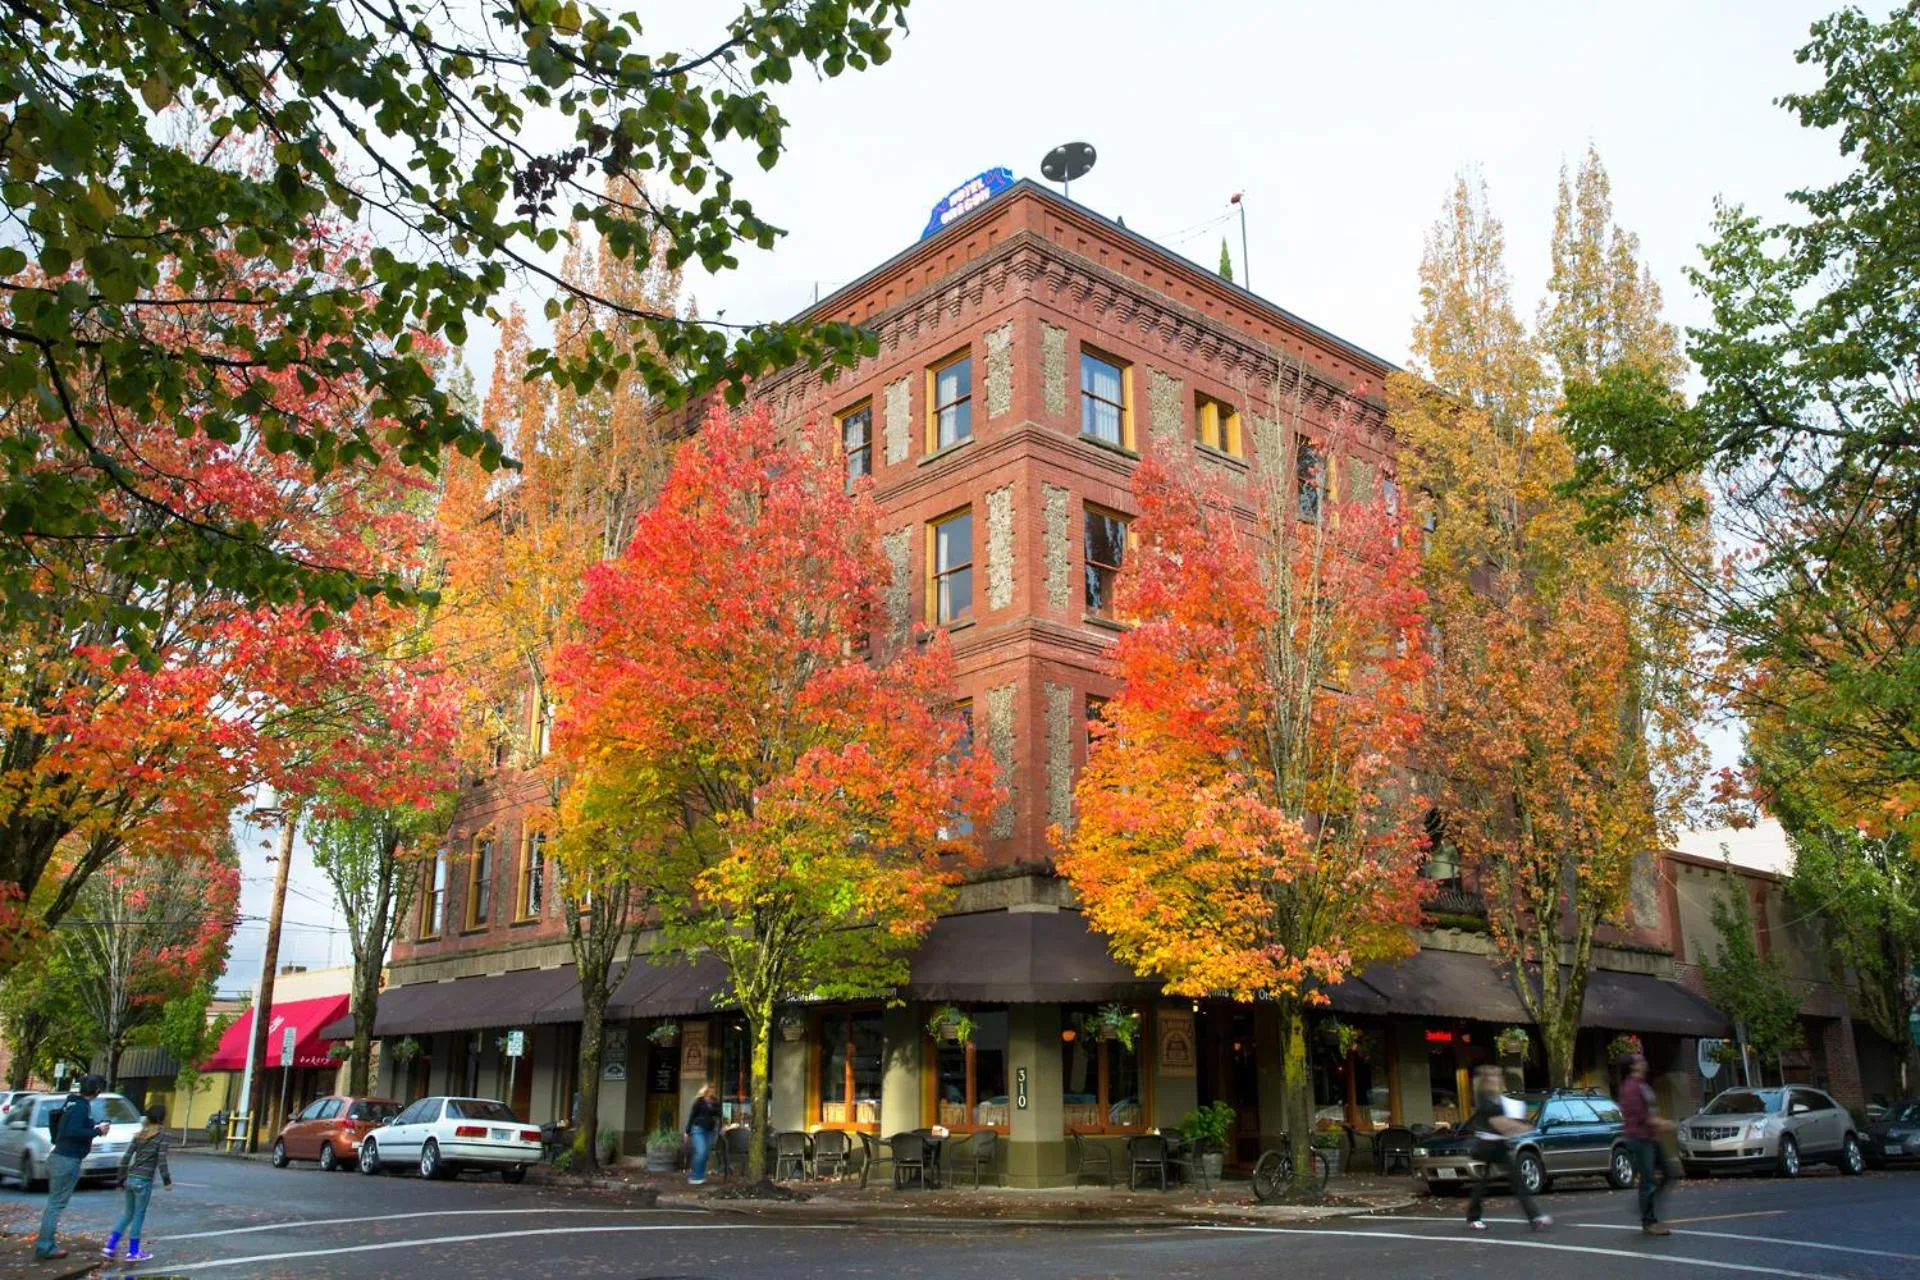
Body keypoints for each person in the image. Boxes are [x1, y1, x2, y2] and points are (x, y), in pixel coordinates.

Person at [1464, 1063, 1550, 1233]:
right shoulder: (1485, 1098)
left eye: (1498, 1076)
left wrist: (1517, 1127)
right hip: (1487, 1145)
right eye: (1494, 1076)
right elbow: (1499, 1123)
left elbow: (1503, 1123)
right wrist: (1522, 1128)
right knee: (1483, 1183)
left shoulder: (1496, 1097)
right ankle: (1473, 1218)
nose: (1497, 1079)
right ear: (1486, 1080)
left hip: (1498, 1143)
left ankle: (1534, 1218)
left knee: (1515, 1180)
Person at [36, 1074, 111, 1260]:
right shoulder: (82, 1107)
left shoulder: (71, 1102)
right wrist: (97, 1131)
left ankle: (46, 1244)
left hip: (58, 1155)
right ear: (97, 1090)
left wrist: (92, 1125)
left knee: (53, 1203)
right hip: (67, 1159)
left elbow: (65, 1125)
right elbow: (73, 1131)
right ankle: (45, 1246)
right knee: (55, 1205)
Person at [104, 1102, 173, 1262]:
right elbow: (162, 1161)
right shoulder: (162, 1137)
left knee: (127, 1214)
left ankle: (110, 1246)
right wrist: (167, 1181)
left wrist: (120, 1180)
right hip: (144, 1181)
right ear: (162, 1119)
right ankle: (133, 1251)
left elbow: (126, 1158)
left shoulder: (139, 1135)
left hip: (130, 1178)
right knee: (138, 1215)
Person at [1618, 1054, 1676, 1236]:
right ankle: (1649, 1221)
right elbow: (1640, 1117)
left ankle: (1644, 1205)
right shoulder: (1631, 1088)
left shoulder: (1642, 1085)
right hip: (1640, 1138)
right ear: (1633, 1066)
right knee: (1648, 1180)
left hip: (1651, 1137)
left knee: (1668, 1173)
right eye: (1639, 1059)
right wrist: (1664, 1123)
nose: (1644, 1061)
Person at [685, 1082, 721, 1186]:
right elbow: (692, 1116)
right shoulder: (699, 1101)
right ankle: (694, 1176)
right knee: (700, 1151)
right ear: (706, 1089)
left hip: (710, 1130)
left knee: (704, 1154)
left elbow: (719, 1116)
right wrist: (687, 1132)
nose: (713, 1091)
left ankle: (700, 1176)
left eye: (715, 1089)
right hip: (698, 1129)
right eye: (712, 1088)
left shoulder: (715, 1102)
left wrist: (721, 1126)